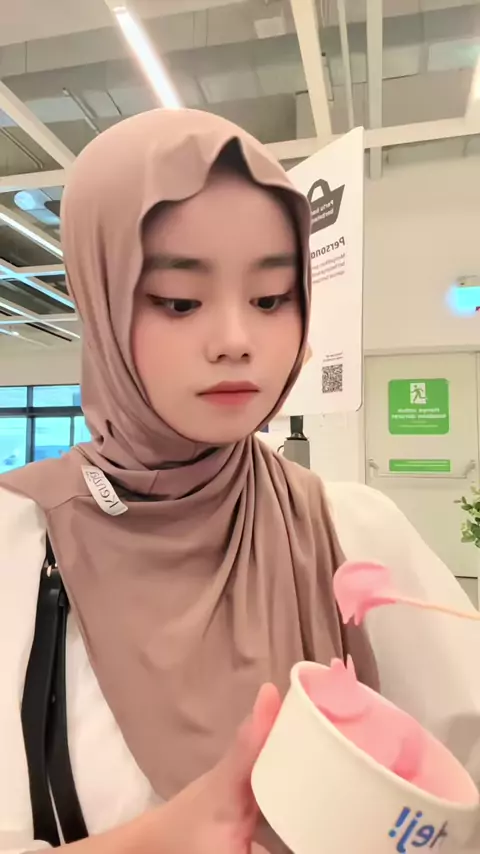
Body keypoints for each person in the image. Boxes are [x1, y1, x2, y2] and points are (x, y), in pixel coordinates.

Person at [0, 109, 479, 854]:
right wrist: (164, 839)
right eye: (179, 301)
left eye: (270, 298)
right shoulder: (18, 542)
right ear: (101, 298)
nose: (236, 341)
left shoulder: (347, 531)